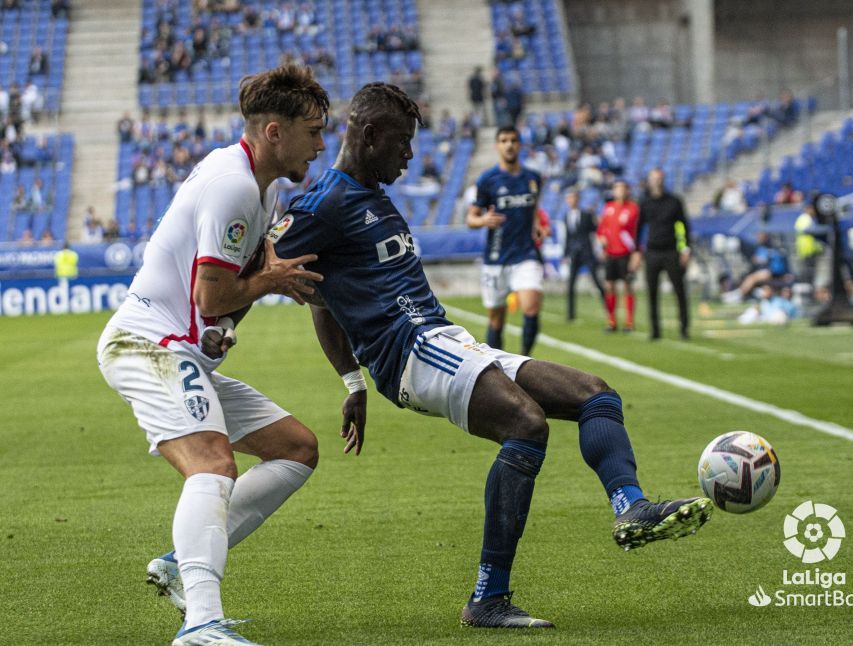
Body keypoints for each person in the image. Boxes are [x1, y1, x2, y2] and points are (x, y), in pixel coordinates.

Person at [206, 82, 713, 629]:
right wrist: (220, 328)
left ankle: (629, 507)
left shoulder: (372, 196)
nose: (409, 155)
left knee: (596, 395)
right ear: (370, 136)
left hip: (449, 340)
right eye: (401, 143)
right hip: (410, 354)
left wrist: (350, 383)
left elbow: (321, 297)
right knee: (526, 423)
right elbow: (261, 272)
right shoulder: (325, 201)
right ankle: (488, 598)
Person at [95, 64, 333, 646]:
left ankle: (181, 562)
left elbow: (249, 253)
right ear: (274, 131)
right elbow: (212, 293)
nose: (322, 144)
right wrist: (271, 282)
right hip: (149, 343)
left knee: (295, 449)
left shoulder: (262, 182)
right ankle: (201, 624)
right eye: (313, 130)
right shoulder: (232, 184)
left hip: (182, 351)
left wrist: (269, 259)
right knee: (213, 465)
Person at [466, 126, 544, 356]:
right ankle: (498, 367)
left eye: (513, 140)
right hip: (496, 258)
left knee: (531, 307)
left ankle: (524, 361)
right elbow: (470, 218)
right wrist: (483, 220)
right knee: (496, 320)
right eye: (504, 140)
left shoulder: (534, 178)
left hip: (526, 254)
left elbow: (535, 208)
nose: (509, 144)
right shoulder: (487, 180)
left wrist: (537, 224)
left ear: (520, 145)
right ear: (497, 146)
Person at [634, 168, 691, 340]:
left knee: (679, 291)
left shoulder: (674, 201)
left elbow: (683, 226)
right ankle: (655, 330)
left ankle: (684, 328)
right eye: (653, 178)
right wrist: (637, 251)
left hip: (671, 251)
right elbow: (638, 228)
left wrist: (685, 249)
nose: (657, 181)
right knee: (651, 292)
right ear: (649, 181)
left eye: (659, 178)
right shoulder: (644, 202)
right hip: (652, 252)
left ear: (663, 180)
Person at [598, 180, 640, 332]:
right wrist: (602, 238)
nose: (620, 191)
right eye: (617, 188)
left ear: (627, 190)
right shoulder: (608, 208)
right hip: (610, 253)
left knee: (628, 286)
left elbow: (638, 232)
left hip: (626, 253)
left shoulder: (633, 209)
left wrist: (637, 254)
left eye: (622, 188)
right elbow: (602, 228)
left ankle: (629, 322)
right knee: (609, 286)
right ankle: (612, 321)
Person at [562, 187, 605, 321]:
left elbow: (596, 230)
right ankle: (570, 315)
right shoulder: (566, 216)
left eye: (573, 197)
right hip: (574, 254)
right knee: (570, 285)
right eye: (569, 198)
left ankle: (609, 309)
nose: (571, 200)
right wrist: (566, 254)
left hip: (587, 252)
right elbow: (568, 237)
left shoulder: (586, 214)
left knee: (597, 281)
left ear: (578, 199)